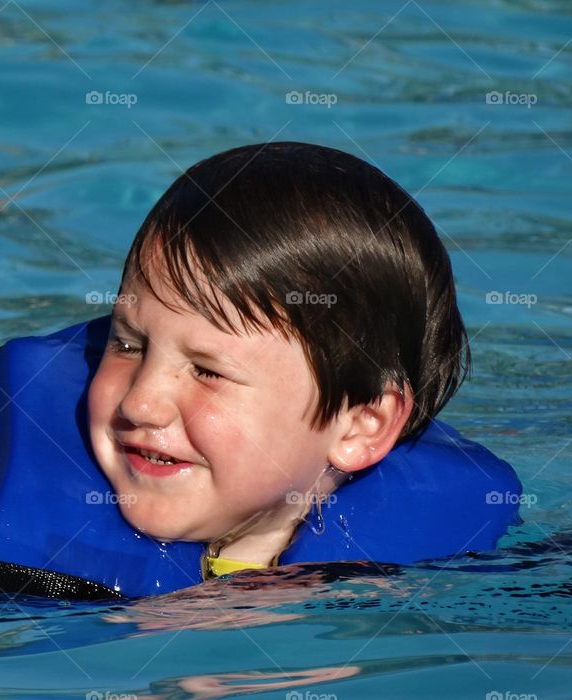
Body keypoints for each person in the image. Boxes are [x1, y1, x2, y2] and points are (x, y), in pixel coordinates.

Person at [86, 141, 468, 576]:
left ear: (360, 426)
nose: (140, 403)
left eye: (207, 370)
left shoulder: (402, 590)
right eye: (129, 346)